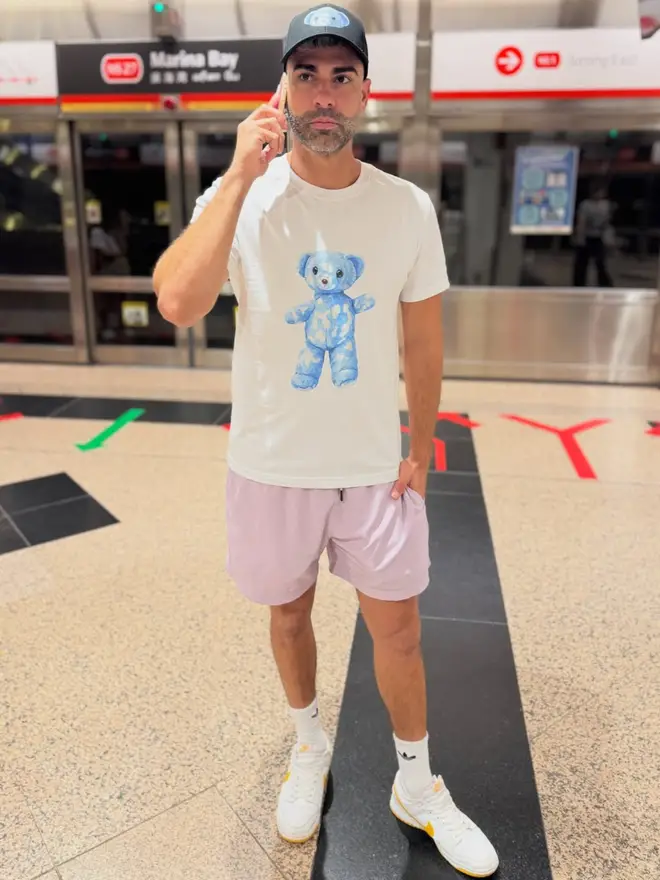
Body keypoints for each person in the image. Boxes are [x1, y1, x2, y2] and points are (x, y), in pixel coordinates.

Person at [153, 5, 498, 876]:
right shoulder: (244, 199)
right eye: (306, 75)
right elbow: (179, 302)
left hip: (374, 468)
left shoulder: (405, 207)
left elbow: (424, 339)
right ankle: (308, 746)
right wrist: (240, 174)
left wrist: (420, 446)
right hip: (271, 464)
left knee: (401, 630)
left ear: (365, 92)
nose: (324, 95)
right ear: (282, 89)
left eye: (341, 76)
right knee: (289, 613)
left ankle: (416, 783)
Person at [573, 181, 614, 287]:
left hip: (599, 237)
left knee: (600, 263)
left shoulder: (605, 205)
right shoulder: (586, 205)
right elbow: (581, 222)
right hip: (587, 236)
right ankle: (578, 284)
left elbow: (607, 222)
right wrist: (580, 238)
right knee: (581, 263)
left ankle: (605, 284)